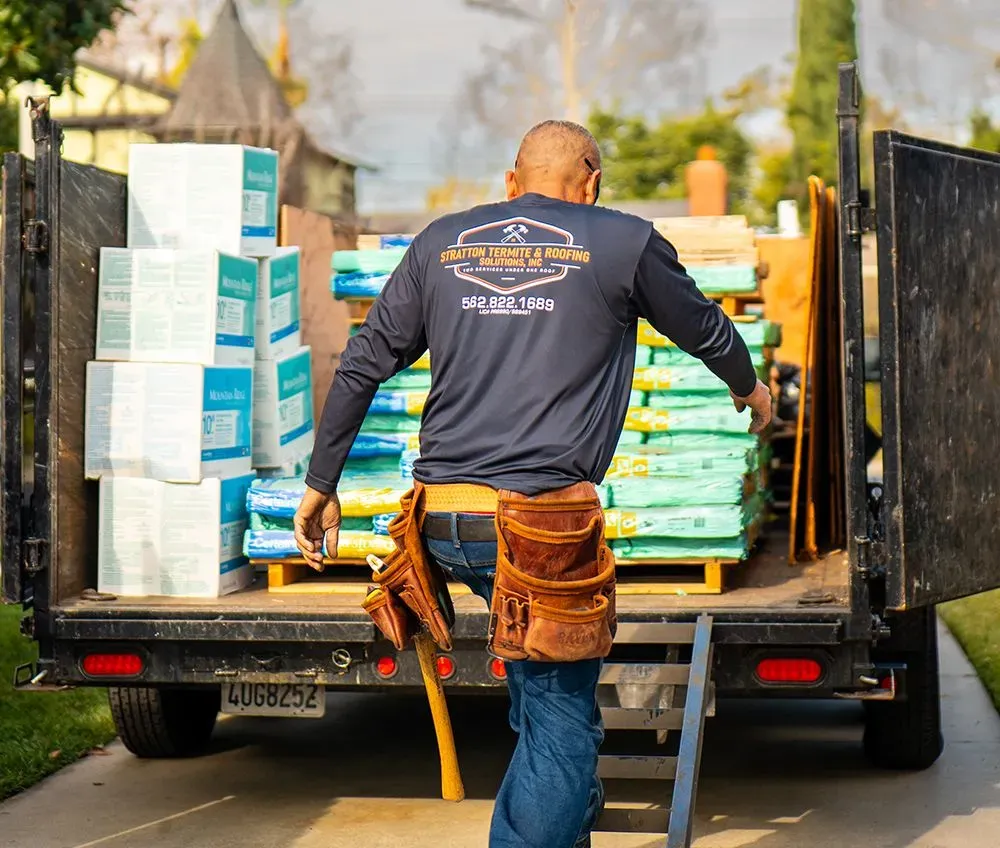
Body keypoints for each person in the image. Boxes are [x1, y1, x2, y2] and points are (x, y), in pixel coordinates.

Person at [294, 120, 772, 848]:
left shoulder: (440, 243)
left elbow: (363, 363)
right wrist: (752, 391)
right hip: (539, 528)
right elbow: (703, 327)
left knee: (544, 698)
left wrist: (321, 483)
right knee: (559, 725)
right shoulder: (622, 242)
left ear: (511, 184)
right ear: (593, 182)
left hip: (443, 522)